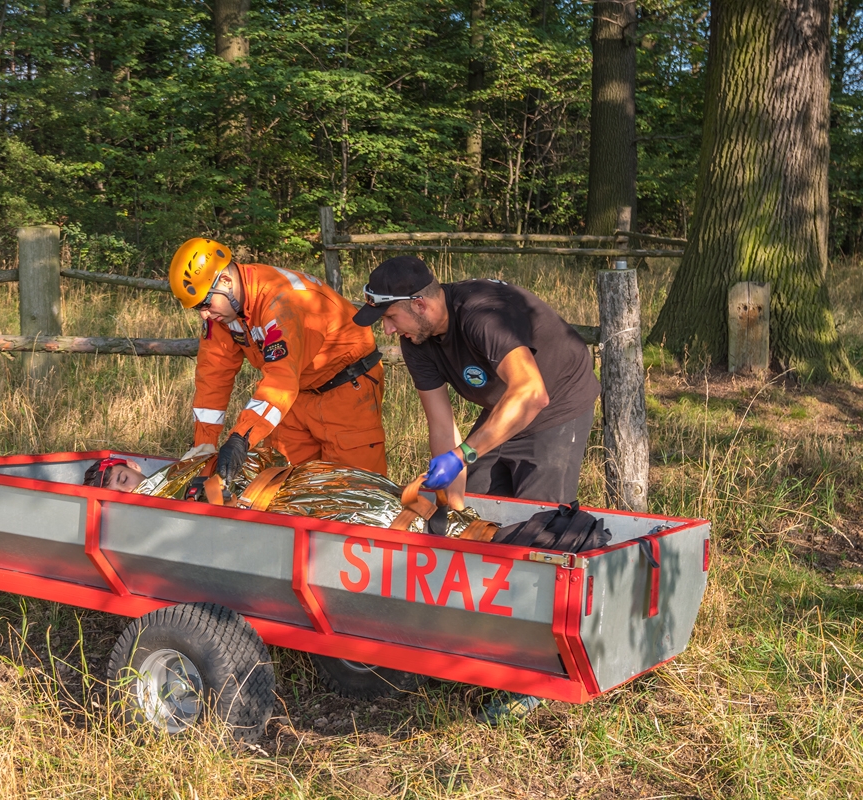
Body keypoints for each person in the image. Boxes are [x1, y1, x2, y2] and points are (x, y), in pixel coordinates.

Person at [352, 255, 600, 724]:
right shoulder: (417, 339)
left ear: (420, 304)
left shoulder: (484, 314)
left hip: (556, 399)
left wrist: (465, 455)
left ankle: (535, 677)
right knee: (481, 517)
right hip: (505, 404)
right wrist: (454, 508)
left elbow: (531, 393)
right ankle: (480, 645)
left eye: (390, 317)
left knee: (536, 531)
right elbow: (442, 427)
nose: (387, 331)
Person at [169, 238, 388, 485]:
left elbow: (281, 377)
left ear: (226, 282)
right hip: (295, 397)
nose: (204, 314)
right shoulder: (224, 312)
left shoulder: (282, 302)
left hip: (347, 390)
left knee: (353, 494)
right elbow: (212, 377)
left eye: (205, 303)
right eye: (197, 307)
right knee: (281, 486)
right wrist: (203, 446)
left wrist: (241, 438)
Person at [83, 447, 481, 536]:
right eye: (119, 494)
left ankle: (452, 526)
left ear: (132, 466)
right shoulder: (147, 515)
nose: (129, 490)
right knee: (367, 515)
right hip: (273, 505)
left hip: (287, 485)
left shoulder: (180, 469)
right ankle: (446, 531)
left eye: (122, 480)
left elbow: (249, 457)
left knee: (366, 492)